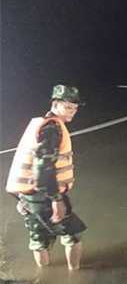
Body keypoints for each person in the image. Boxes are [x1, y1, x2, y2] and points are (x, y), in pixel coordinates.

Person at [6, 85, 87, 270]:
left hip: (28, 194)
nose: (72, 112)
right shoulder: (52, 128)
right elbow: (43, 167)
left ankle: (43, 276)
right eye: (68, 107)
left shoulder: (38, 123)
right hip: (44, 195)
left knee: (39, 240)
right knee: (73, 236)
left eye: (75, 108)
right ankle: (75, 276)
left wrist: (21, 199)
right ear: (55, 104)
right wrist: (56, 199)